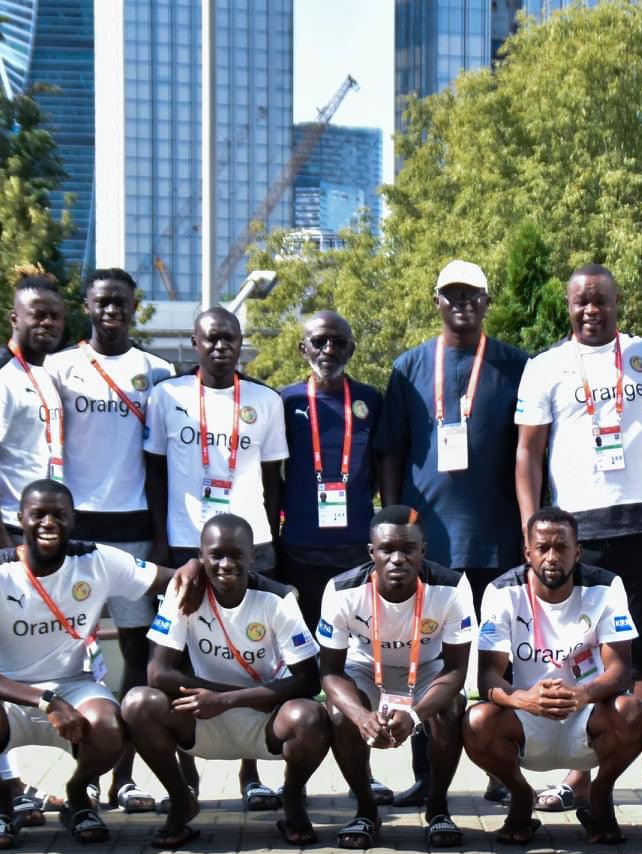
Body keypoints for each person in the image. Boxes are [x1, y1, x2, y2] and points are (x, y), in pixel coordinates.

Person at [0, 480, 200, 851]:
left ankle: (78, 796)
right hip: (6, 693)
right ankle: (3, 804)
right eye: (38, 515)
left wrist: (192, 564)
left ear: (73, 520)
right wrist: (46, 700)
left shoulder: (95, 560)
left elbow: (173, 579)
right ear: (21, 519)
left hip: (74, 686)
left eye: (58, 515)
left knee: (110, 724)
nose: (48, 522)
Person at [514, 264, 642, 812]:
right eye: (582, 301)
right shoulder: (544, 367)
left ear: (617, 301)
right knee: (586, 653)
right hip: (580, 529)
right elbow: (528, 452)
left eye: (601, 300)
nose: (591, 310)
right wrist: (533, 531)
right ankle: (581, 777)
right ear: (569, 306)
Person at [380, 259, 531, 806]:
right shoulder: (409, 368)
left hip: (499, 539)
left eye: (473, 295)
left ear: (488, 302)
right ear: (436, 301)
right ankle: (429, 774)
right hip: (430, 544)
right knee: (429, 664)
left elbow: (532, 451)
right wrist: (398, 520)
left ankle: (499, 767)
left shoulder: (516, 365)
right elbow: (392, 451)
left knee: (501, 658)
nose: (462, 303)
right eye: (451, 295)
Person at [145, 307, 290, 810]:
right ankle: (187, 777)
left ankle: (252, 773)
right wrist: (163, 548)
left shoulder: (265, 400)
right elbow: (156, 473)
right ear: (195, 342)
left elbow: (274, 483)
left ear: (240, 341)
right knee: (182, 656)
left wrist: (272, 544)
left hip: (252, 545)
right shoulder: (167, 396)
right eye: (211, 339)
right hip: (187, 541)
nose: (221, 347)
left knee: (252, 655)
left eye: (229, 338)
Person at [45, 268, 175, 813]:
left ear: (133, 306)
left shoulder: (159, 371)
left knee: (135, 654)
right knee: (70, 650)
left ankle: (122, 775)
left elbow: (163, 461)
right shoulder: (57, 368)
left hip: (134, 530)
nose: (111, 310)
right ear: (87, 306)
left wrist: (163, 536)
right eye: (102, 302)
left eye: (121, 301)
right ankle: (84, 771)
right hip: (75, 529)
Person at [123, 515, 331, 847]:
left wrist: (225, 699)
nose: (225, 564)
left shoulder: (277, 599)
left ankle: (292, 801)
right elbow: (157, 673)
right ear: (201, 555)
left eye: (236, 554)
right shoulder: (184, 593)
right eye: (216, 554)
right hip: (203, 719)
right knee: (137, 703)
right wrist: (216, 699)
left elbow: (309, 681)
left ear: (253, 555)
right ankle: (181, 802)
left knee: (310, 717)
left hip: (266, 720)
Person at [463, 508, 642, 845]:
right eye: (542, 547)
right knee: (477, 721)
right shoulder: (502, 591)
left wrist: (583, 695)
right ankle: (520, 795)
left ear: (577, 551)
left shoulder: (606, 586)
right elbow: (488, 676)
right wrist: (524, 699)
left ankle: (599, 793)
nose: (551, 557)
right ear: (527, 551)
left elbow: (621, 670)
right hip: (527, 714)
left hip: (587, 713)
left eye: (561, 548)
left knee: (632, 711)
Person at [278, 312, 392, 802]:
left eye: (339, 342)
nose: (329, 351)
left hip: (353, 556)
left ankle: (360, 774)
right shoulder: (282, 402)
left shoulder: (369, 400)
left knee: (354, 667)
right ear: (303, 348)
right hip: (297, 551)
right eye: (319, 342)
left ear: (351, 347)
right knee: (294, 668)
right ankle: (273, 777)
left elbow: (383, 472)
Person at [315, 507, 475, 849]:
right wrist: (361, 717)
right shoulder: (341, 590)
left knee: (449, 711)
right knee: (341, 714)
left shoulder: (451, 587)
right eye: (387, 549)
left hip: (428, 669)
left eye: (408, 549)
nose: (397, 559)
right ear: (372, 552)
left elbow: (456, 670)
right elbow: (329, 671)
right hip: (365, 668)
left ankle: (438, 808)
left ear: (423, 551)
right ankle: (366, 811)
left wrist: (415, 714)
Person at [0, 271, 69, 554]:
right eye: (37, 315)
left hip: (45, 526)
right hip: (11, 528)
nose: (47, 322)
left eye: (54, 316)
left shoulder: (48, 374)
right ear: (14, 318)